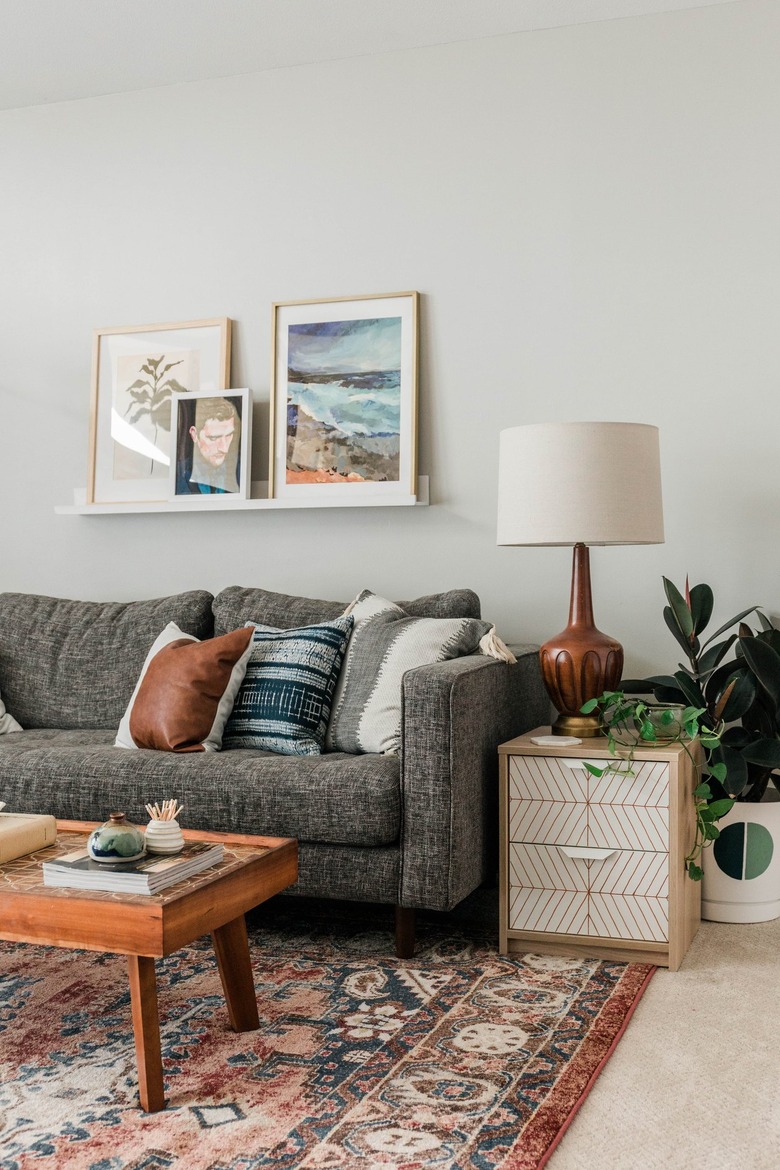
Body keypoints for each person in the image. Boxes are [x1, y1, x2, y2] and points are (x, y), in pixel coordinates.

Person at [176, 396, 240, 494]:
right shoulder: (177, 476)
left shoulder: (241, 472)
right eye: (213, 438)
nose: (224, 448)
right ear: (194, 435)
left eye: (229, 435)